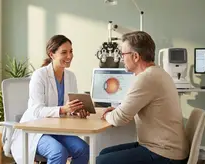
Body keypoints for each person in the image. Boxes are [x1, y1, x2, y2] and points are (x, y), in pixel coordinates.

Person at [96, 31, 190, 164]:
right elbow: (129, 107)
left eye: (123, 54)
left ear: (135, 56)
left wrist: (106, 115)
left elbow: (119, 119)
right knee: (103, 154)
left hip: (165, 154)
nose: (122, 59)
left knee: (102, 161)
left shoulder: (147, 78)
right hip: (164, 148)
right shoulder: (156, 73)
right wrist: (117, 111)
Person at [11, 34, 90, 164]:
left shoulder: (71, 76)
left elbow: (69, 106)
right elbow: (36, 110)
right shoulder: (39, 75)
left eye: (71, 51)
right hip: (37, 130)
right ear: (52, 54)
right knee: (58, 153)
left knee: (83, 149)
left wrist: (76, 111)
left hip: (59, 129)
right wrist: (63, 109)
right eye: (64, 52)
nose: (69, 56)